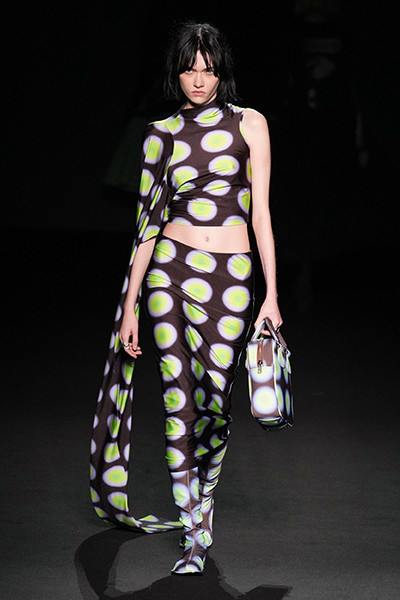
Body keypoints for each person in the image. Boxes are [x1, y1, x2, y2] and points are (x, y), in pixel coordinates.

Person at [90, 21, 282, 576]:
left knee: (216, 401)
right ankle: (194, 533)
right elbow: (147, 226)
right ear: (175, 73)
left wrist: (271, 296)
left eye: (208, 68)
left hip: (231, 275)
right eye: (189, 69)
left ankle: (205, 498)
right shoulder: (160, 133)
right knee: (178, 402)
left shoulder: (251, 123)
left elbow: (261, 215)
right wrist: (130, 305)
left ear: (222, 71)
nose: (199, 79)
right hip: (168, 274)